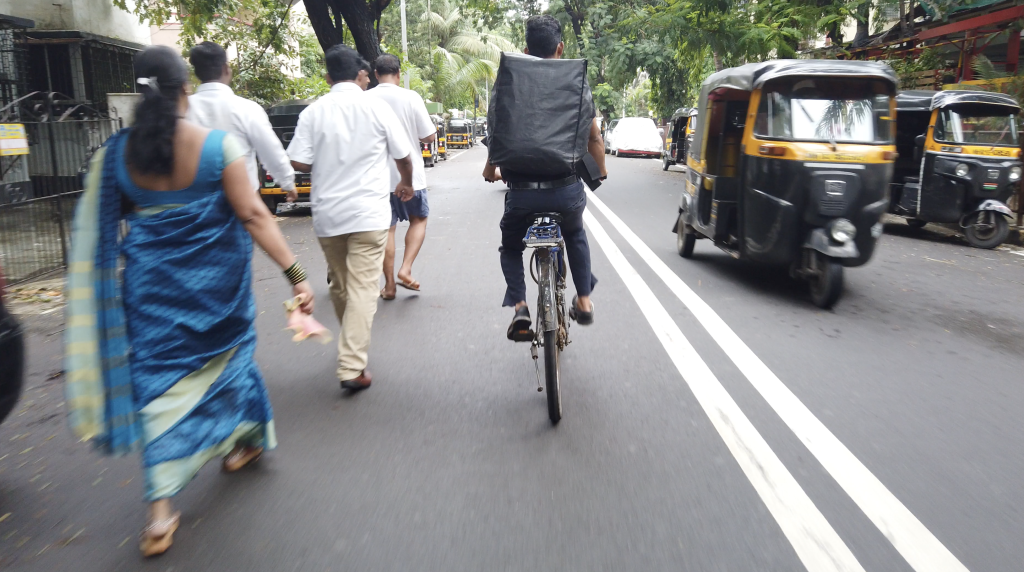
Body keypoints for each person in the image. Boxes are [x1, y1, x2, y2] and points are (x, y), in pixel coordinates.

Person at [63, 45, 314, 557]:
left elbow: (116, 223)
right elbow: (254, 216)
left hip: (151, 295)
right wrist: (296, 274)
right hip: (217, 292)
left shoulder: (118, 154)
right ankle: (242, 442)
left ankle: (161, 512)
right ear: (186, 89)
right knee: (234, 361)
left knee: (160, 390)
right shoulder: (217, 148)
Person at [287, 45, 415, 392]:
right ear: (361, 75)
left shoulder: (314, 112)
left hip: (328, 215)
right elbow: (403, 155)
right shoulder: (376, 106)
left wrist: (327, 160)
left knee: (346, 287)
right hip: (368, 213)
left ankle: (352, 358)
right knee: (355, 289)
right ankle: (351, 363)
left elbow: (297, 160)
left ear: (327, 76)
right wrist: (406, 182)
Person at [482, 15, 607, 340]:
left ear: (525, 48)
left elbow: (498, 127)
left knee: (510, 247)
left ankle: (521, 307)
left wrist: (489, 167)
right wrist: (601, 170)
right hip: (564, 191)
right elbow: (593, 137)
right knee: (575, 234)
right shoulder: (575, 80)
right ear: (560, 47)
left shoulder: (510, 80)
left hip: (521, 193)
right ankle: (583, 301)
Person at [185, 41, 297, 205]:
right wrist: (287, 183)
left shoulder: (183, 110)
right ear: (225, 69)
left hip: (195, 206)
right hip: (242, 205)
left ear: (196, 72)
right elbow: (270, 151)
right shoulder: (247, 109)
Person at [367, 54, 436, 299]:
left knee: (387, 229)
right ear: (398, 74)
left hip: (376, 179)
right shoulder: (410, 97)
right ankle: (405, 269)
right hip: (410, 176)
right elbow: (429, 137)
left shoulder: (365, 99)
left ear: (375, 74)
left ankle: (389, 286)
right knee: (419, 219)